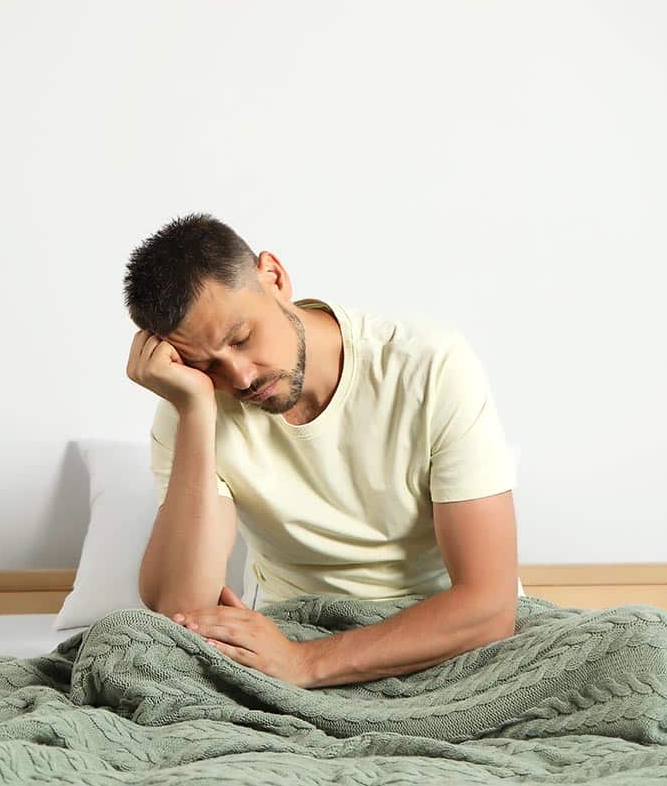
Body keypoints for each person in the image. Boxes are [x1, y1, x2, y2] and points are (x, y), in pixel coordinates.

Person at [123, 212, 521, 689]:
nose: (241, 377)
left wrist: (305, 663)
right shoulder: (195, 405)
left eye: (242, 338)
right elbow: (180, 606)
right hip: (293, 628)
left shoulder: (428, 365)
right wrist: (194, 411)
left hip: (442, 638)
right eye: (206, 364)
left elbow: (490, 607)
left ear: (274, 277)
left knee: (632, 641)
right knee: (122, 650)